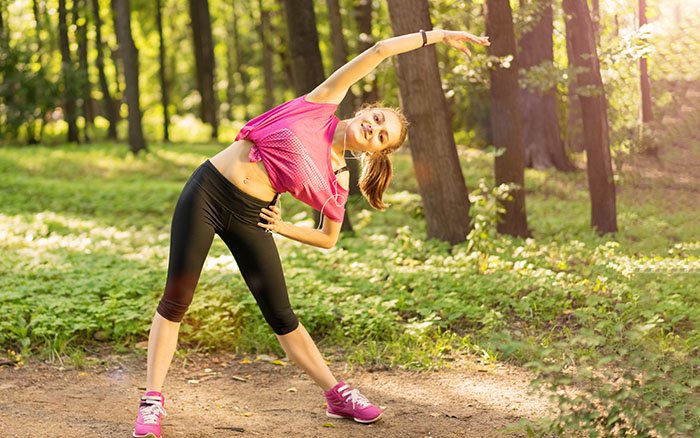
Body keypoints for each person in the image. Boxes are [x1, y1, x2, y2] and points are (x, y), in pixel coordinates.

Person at [132, 28, 489, 438]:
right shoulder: (321, 104)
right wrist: (438, 35)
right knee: (177, 299)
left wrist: (282, 226)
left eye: (382, 136)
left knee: (282, 316)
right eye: (376, 119)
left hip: (253, 215)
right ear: (364, 110)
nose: (373, 130)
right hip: (209, 190)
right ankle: (152, 401)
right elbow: (381, 49)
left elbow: (329, 238)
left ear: (378, 152)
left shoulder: (338, 179)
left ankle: (337, 395)